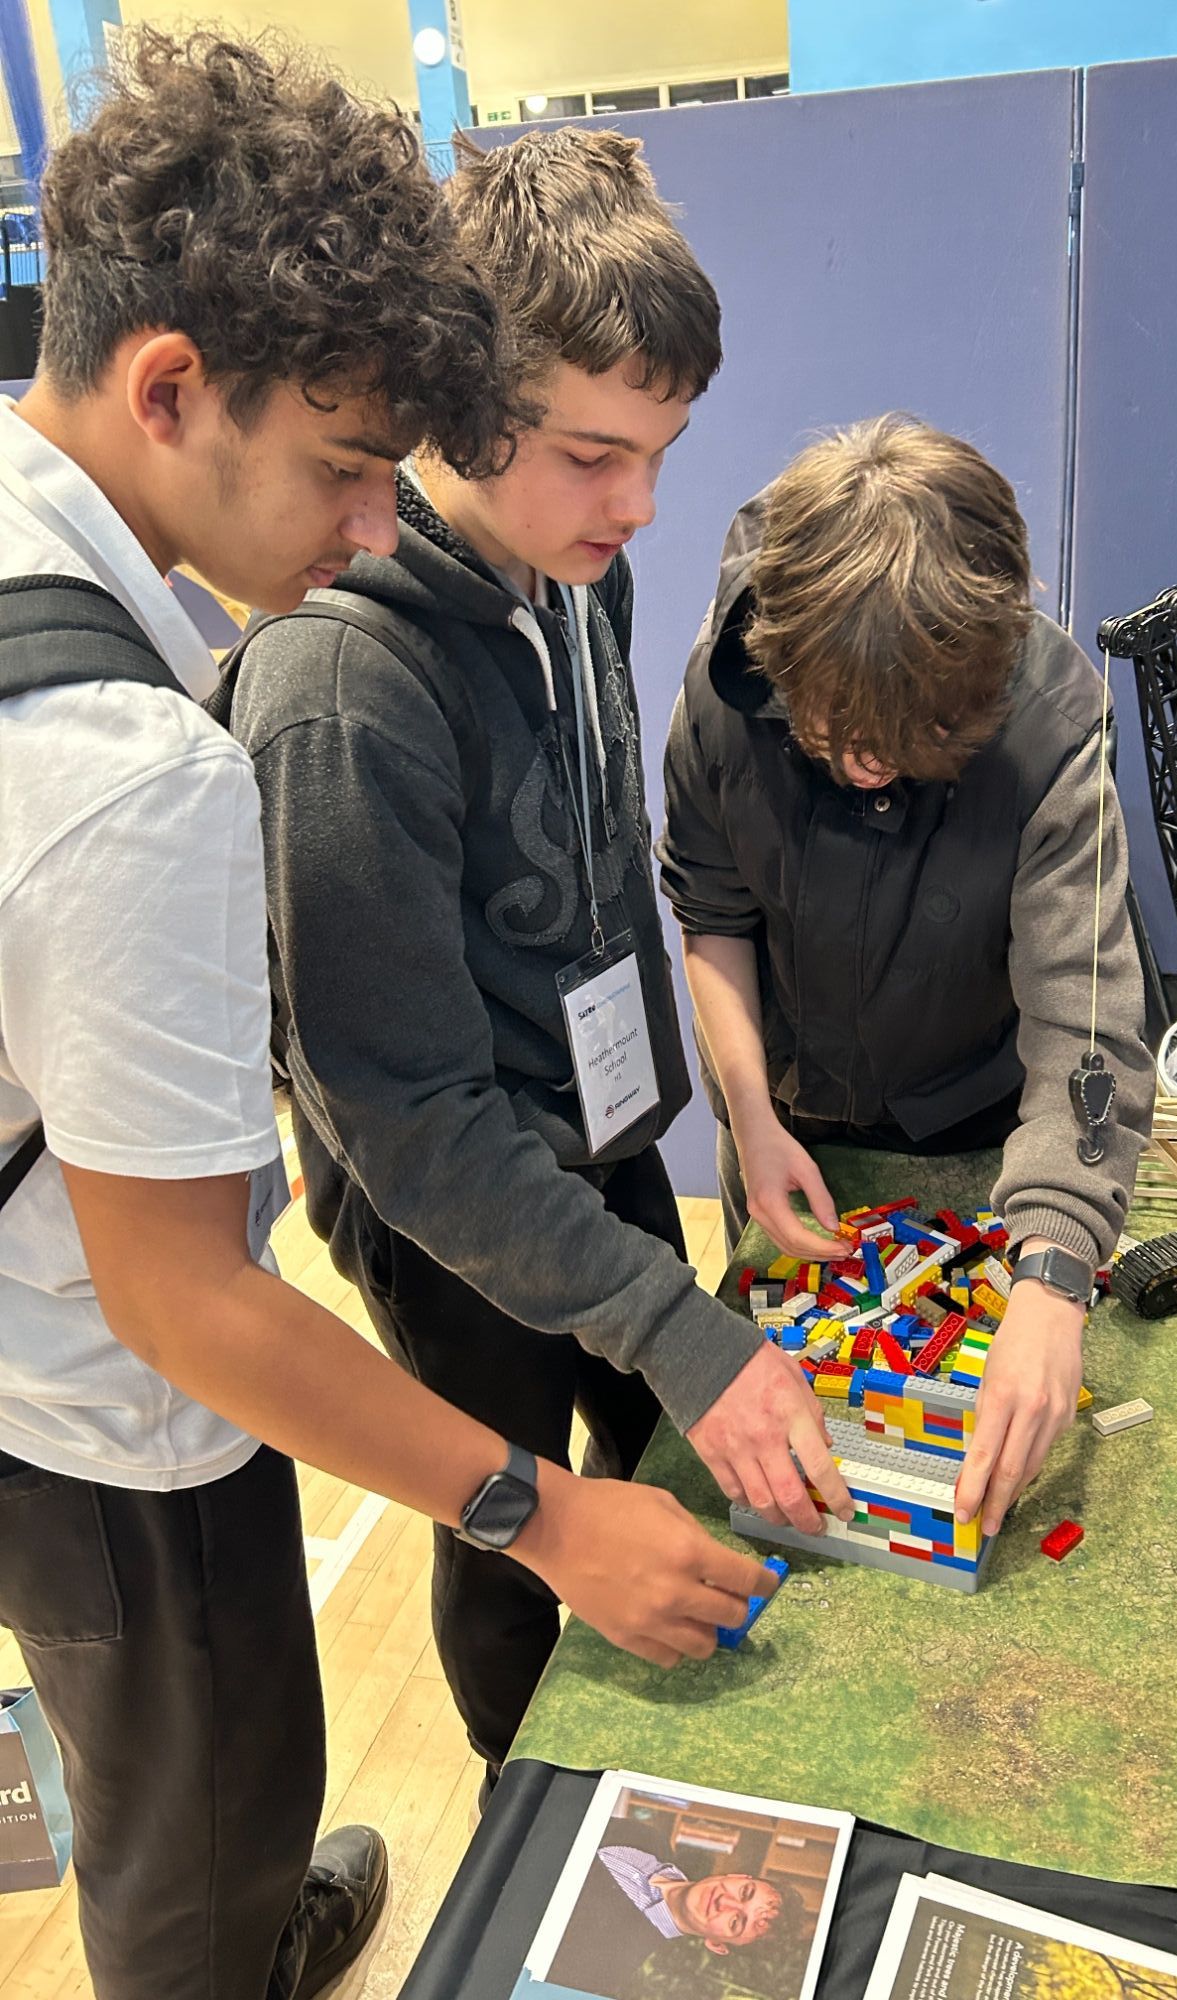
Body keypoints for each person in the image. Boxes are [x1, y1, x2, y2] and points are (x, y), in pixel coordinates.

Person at [0, 37, 772, 2000]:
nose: (365, 526)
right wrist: (533, 1513)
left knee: (226, 1797)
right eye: (352, 466)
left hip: (127, 1336)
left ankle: (257, 1916)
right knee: (193, 1811)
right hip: (100, 1407)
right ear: (173, 387)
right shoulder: (170, 747)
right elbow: (191, 1288)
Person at [221, 125, 854, 1784]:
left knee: (673, 1455)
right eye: (592, 453)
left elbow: (603, 879)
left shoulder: (586, 574)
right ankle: (525, 1806)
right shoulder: (339, 685)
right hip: (449, 1203)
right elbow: (412, 1120)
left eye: (661, 449)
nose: (639, 504)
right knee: (512, 1524)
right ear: (456, 406)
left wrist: (722, 1113)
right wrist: (681, 1327)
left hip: (603, 1132)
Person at [658, 415, 1155, 1543]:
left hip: (984, 1139)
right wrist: (750, 1112)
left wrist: (1056, 1269)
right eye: (838, 734)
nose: (872, 766)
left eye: (913, 740)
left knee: (990, 1396)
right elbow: (712, 914)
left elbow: (1085, 1018)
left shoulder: (1050, 717)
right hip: (784, 1126)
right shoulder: (722, 694)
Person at [548, 1844, 798, 1995]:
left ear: (716, 1944)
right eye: (745, 1892)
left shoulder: (607, 1967)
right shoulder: (647, 1837)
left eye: (736, 1922)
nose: (726, 1902)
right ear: (738, 1875)